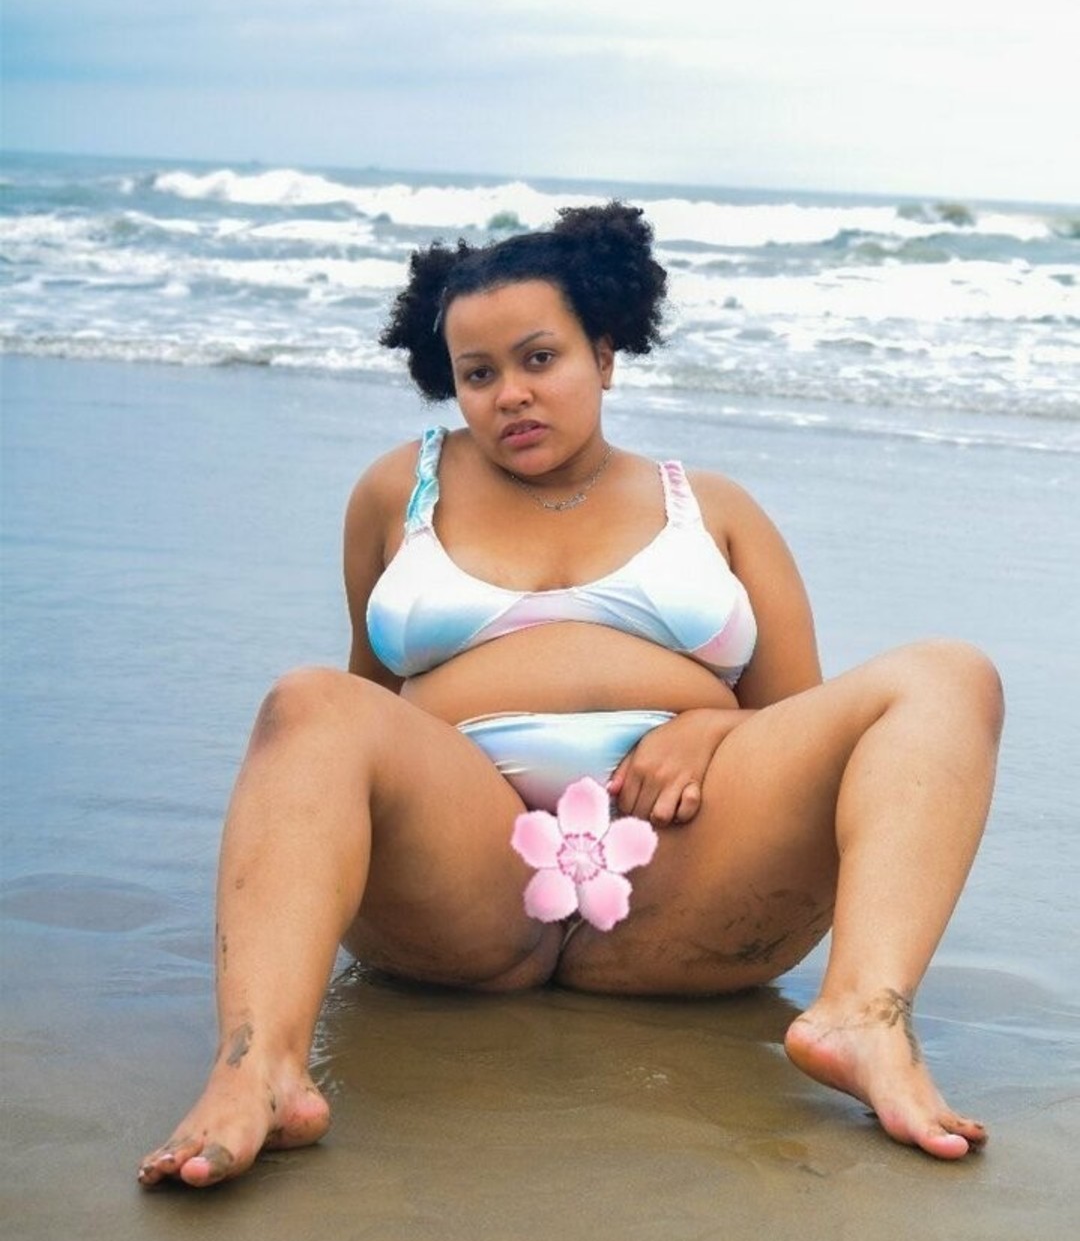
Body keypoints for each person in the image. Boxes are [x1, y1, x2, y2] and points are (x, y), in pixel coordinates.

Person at [138, 203, 1003, 1189]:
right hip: (463, 884)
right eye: (478, 374)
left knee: (948, 676)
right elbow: (356, 711)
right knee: (306, 702)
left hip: (682, 883)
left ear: (605, 354)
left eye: (540, 359)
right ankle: (257, 1070)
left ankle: (863, 1015)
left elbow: (806, 727)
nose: (511, 393)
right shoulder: (398, 492)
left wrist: (713, 727)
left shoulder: (713, 508)